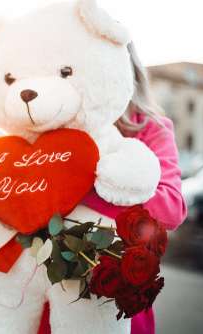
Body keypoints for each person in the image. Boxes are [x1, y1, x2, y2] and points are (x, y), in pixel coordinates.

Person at [37, 43, 188, 334]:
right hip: (50, 286)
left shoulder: (150, 128)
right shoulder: (53, 126)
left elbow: (171, 208)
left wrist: (86, 186)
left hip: (115, 287)